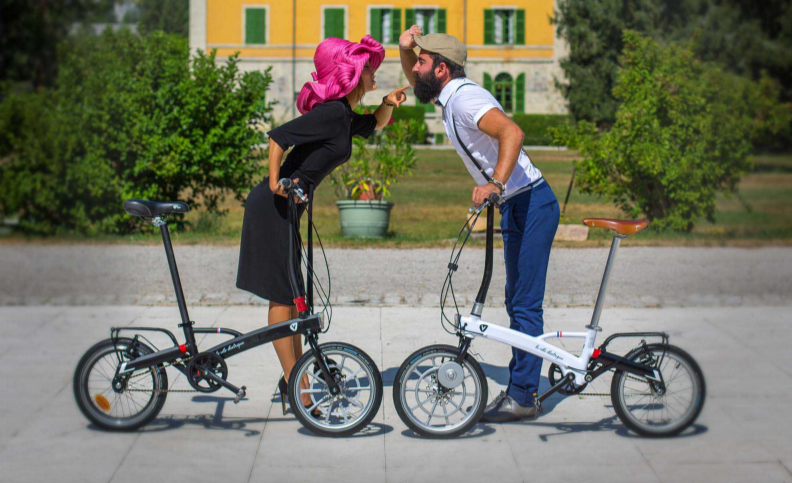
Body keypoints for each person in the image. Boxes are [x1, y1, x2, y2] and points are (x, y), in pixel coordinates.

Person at [236, 35, 408, 414]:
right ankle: (297, 386)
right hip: (273, 206)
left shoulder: (344, 118)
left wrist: (387, 104)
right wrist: (273, 182)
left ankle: (294, 382)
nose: (374, 74)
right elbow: (278, 138)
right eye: (369, 69)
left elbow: (374, 125)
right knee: (283, 296)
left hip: (288, 208)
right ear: (352, 73)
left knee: (294, 296)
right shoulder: (332, 113)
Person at [398, 26, 559, 422]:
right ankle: (523, 387)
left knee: (523, 304)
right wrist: (404, 49)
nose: (414, 69)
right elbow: (417, 81)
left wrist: (494, 184)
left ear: (442, 69)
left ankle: (523, 396)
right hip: (518, 204)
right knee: (516, 302)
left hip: (532, 202)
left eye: (421, 62)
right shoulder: (449, 95)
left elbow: (512, 133)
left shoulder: (466, 99)